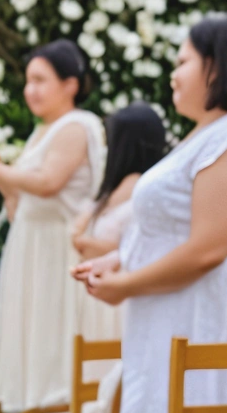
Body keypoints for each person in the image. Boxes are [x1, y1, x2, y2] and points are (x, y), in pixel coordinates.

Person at [74, 13, 227, 413]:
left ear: (218, 66)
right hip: (170, 316)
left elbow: (210, 245)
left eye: (183, 60)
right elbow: (165, 230)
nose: (173, 73)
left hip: (204, 316)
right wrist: (117, 262)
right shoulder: (201, 136)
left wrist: (127, 284)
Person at [0, 38, 105, 413]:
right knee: (37, 337)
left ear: (70, 84)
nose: (31, 90)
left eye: (41, 80)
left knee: (57, 338)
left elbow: (48, 183)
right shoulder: (41, 131)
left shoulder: (77, 125)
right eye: (28, 81)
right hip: (32, 245)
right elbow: (22, 195)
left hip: (61, 247)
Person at [72, 102, 168, 347]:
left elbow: (128, 246)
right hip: (106, 293)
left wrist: (87, 243)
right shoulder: (117, 189)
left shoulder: (139, 187)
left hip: (119, 296)